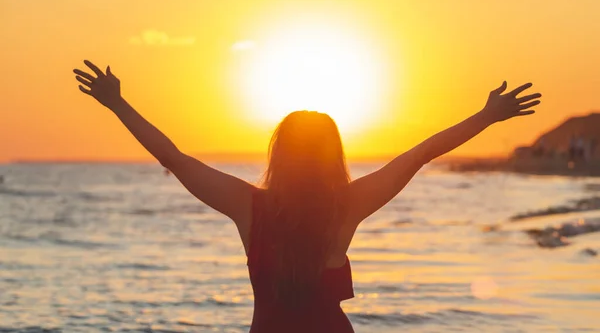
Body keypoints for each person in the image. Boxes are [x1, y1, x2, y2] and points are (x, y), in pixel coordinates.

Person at [73, 60, 541, 332]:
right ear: (332, 154)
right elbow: (418, 155)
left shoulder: (247, 206)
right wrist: (485, 117)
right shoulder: (349, 204)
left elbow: (174, 158)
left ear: (279, 151)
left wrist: (116, 103)